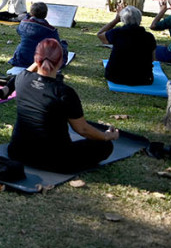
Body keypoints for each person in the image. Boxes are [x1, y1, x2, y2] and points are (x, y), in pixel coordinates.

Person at [7, 38, 120, 173]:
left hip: (17, 152)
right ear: (61, 62)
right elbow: (82, 129)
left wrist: (40, 58)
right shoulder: (64, 93)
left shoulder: (21, 78)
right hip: (57, 161)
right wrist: (107, 136)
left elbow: (28, 71)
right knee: (105, 147)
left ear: (36, 60)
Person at [97, 5, 156, 86]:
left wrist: (115, 20)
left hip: (115, 77)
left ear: (123, 19)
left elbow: (100, 34)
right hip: (143, 78)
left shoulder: (117, 33)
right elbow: (153, 59)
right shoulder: (149, 37)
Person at [10, 2, 69, 69]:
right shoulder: (50, 30)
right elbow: (57, 46)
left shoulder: (23, 23)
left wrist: (27, 16)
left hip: (21, 57)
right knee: (63, 45)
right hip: (39, 60)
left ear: (31, 13)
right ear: (46, 14)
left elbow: (18, 30)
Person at [150, 0, 171, 64]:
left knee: (150, 48)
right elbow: (165, 23)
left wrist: (162, 11)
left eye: (170, 6)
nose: (169, 8)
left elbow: (153, 26)